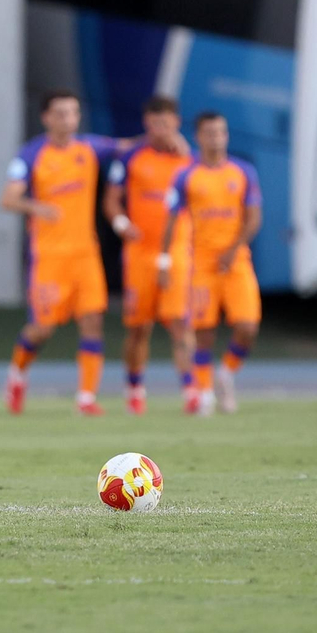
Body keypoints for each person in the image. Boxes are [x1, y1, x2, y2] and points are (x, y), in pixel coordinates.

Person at [1, 92, 137, 416]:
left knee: (92, 321)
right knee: (42, 328)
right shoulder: (32, 154)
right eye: (60, 113)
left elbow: (127, 146)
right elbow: (8, 199)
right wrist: (36, 206)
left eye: (73, 113)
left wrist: (162, 139)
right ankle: (17, 373)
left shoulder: (90, 148)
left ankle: (86, 398)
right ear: (46, 117)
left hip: (85, 254)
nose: (67, 119)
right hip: (48, 256)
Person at [163, 111, 263, 415]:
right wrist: (165, 259)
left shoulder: (243, 172)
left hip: (236, 262)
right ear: (199, 137)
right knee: (204, 332)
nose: (216, 138)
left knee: (248, 326)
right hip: (202, 265)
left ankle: (226, 374)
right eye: (210, 133)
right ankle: (204, 393)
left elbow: (254, 218)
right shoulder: (186, 176)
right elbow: (170, 219)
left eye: (221, 132)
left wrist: (234, 249)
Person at [102, 97, 194, 415]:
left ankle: (191, 391)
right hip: (140, 254)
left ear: (176, 124)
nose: (161, 131)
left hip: (177, 250)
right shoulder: (131, 158)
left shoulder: (186, 161)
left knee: (181, 323)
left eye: (167, 124)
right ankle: (135, 389)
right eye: (155, 124)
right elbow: (111, 200)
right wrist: (122, 224)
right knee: (139, 327)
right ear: (146, 124)